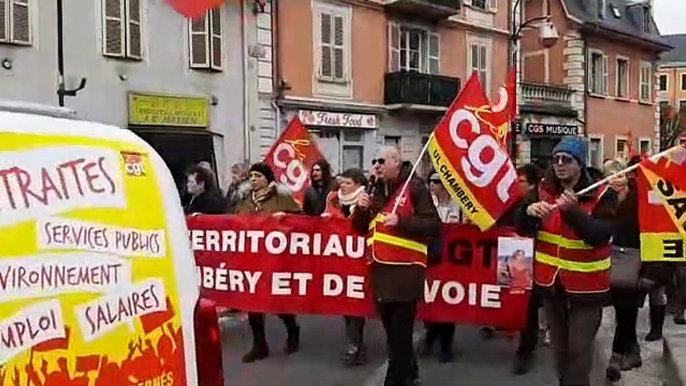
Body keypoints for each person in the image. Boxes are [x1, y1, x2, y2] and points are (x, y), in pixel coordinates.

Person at [515, 136, 618, 386]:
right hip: (551, 286)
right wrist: (528, 214)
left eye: (566, 160)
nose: (560, 164)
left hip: (588, 287)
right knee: (560, 352)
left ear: (580, 163)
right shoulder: (541, 190)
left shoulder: (603, 192)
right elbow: (521, 228)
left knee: (579, 352)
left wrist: (572, 211)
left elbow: (599, 235)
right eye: (556, 159)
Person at [352, 146, 441, 386]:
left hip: (405, 274)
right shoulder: (375, 189)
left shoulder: (415, 186)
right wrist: (360, 210)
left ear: (396, 162)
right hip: (381, 274)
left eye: (381, 161)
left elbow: (433, 224)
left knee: (399, 340)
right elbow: (361, 228)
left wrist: (401, 221)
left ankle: (396, 380)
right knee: (393, 334)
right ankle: (410, 374)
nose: (377, 165)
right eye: (374, 161)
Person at [235, 162, 303, 363]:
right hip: (253, 257)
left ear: (267, 178)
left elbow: (302, 220)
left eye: (258, 175)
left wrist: (286, 218)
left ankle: (292, 329)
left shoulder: (281, 197)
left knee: (277, 301)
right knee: (253, 303)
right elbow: (234, 221)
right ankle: (260, 345)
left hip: (276, 258)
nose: (253, 179)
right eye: (251, 176)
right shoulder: (246, 200)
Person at [322, 168, 369, 367]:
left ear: (359, 184)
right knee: (345, 303)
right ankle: (354, 343)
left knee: (356, 303)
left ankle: (355, 347)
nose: (343, 186)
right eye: (342, 182)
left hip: (360, 261)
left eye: (348, 183)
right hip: (340, 260)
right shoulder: (333, 198)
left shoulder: (367, 199)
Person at [602, 158, 643, 383]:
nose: (615, 180)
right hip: (608, 253)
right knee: (620, 304)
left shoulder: (639, 200)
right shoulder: (604, 200)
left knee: (625, 301)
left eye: (619, 175)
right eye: (610, 176)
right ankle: (628, 349)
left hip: (632, 253)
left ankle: (620, 354)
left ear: (627, 176)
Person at [420, 172, 462, 363]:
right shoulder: (428, 205)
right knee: (429, 300)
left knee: (448, 302)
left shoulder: (458, 206)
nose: (432, 185)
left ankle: (446, 344)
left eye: (436, 181)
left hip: (451, 261)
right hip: (430, 258)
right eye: (430, 181)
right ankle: (430, 334)